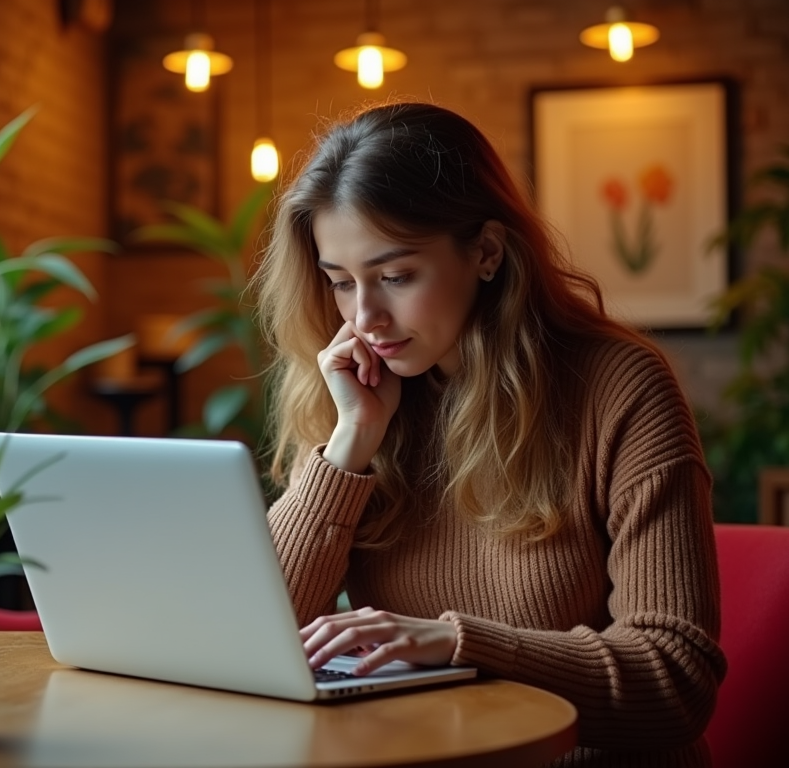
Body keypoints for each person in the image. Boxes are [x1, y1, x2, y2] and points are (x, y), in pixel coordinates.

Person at [253, 102, 727, 767]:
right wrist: (353, 439)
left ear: (486, 252)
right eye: (340, 283)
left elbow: (676, 678)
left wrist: (457, 645)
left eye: (395, 277)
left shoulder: (618, 386)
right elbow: (255, 637)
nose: (366, 318)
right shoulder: (359, 395)